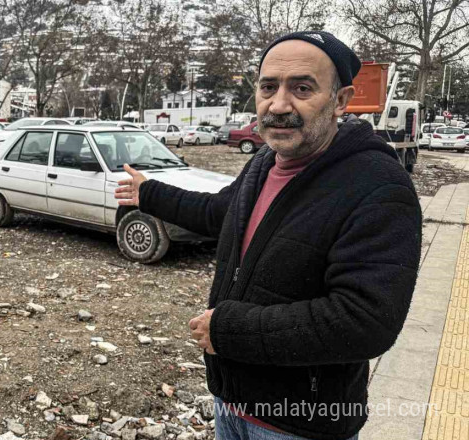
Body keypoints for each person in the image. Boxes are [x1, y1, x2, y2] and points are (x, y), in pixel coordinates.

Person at [116, 31, 421, 440]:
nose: (279, 105)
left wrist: (228, 331)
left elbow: (365, 322)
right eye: (268, 87)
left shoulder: (379, 186)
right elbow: (221, 213)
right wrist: (148, 193)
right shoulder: (265, 162)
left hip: (301, 425)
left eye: (302, 88)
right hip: (231, 404)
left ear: (341, 101)